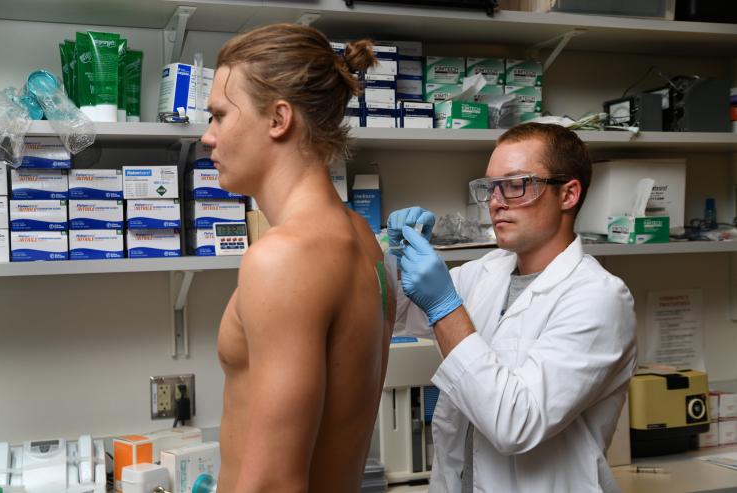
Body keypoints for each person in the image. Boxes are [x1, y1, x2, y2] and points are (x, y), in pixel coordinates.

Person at [388, 123, 637, 492]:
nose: (495, 201)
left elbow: (515, 424)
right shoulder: (483, 274)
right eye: (489, 187)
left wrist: (444, 306)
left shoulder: (599, 299)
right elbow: (398, 317)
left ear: (568, 194)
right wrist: (398, 257)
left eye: (516, 185)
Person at [201, 24, 396, 493]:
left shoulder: (283, 258)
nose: (208, 137)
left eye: (219, 115)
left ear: (278, 118)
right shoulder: (362, 237)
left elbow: (274, 482)